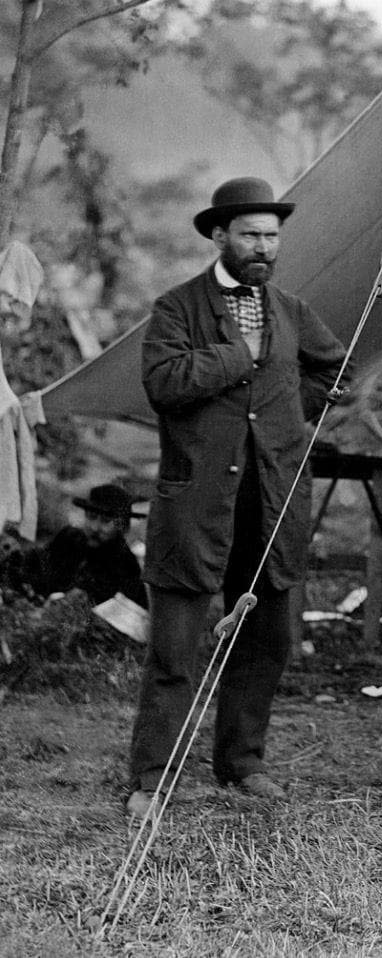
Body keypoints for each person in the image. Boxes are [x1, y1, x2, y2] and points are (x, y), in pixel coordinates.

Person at [126, 177, 347, 819]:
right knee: (176, 646)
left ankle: (241, 762)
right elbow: (163, 384)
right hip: (196, 504)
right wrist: (237, 357)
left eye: (271, 236)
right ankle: (151, 778)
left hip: (272, 503)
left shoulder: (291, 308)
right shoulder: (176, 308)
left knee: (265, 638)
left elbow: (336, 368)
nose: (263, 246)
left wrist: (286, 412)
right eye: (250, 234)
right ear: (219, 236)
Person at [0, 482, 145, 607]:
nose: (94, 527)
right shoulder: (69, 538)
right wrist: (14, 558)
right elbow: (38, 566)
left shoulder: (126, 566)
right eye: (91, 517)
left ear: (122, 526)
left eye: (105, 521)